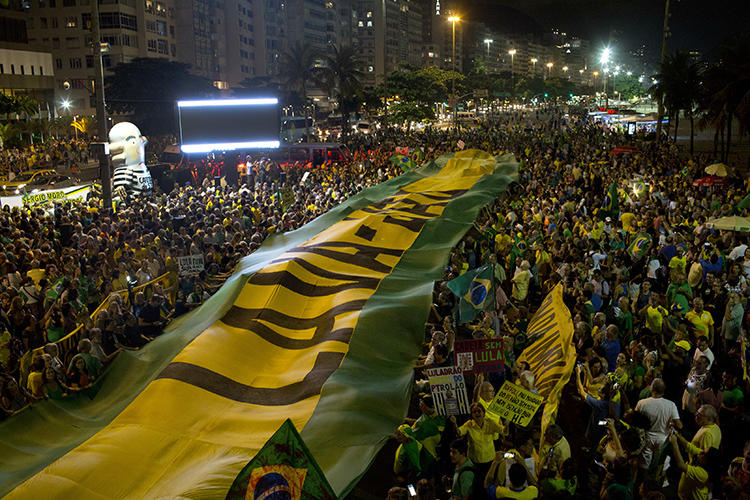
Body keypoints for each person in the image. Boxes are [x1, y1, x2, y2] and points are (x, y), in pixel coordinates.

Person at [634, 378, 682, 471]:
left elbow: (635, 420)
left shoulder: (642, 403)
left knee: (644, 466)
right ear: (663, 391)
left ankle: (643, 483)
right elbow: (679, 425)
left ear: (651, 389)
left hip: (646, 437)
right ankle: (659, 483)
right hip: (663, 439)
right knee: (661, 466)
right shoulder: (671, 405)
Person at [669, 431, 720, 500]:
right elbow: (688, 445)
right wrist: (677, 435)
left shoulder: (703, 474)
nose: (701, 452)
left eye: (703, 453)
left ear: (706, 461)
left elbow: (681, 465)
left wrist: (674, 444)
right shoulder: (701, 455)